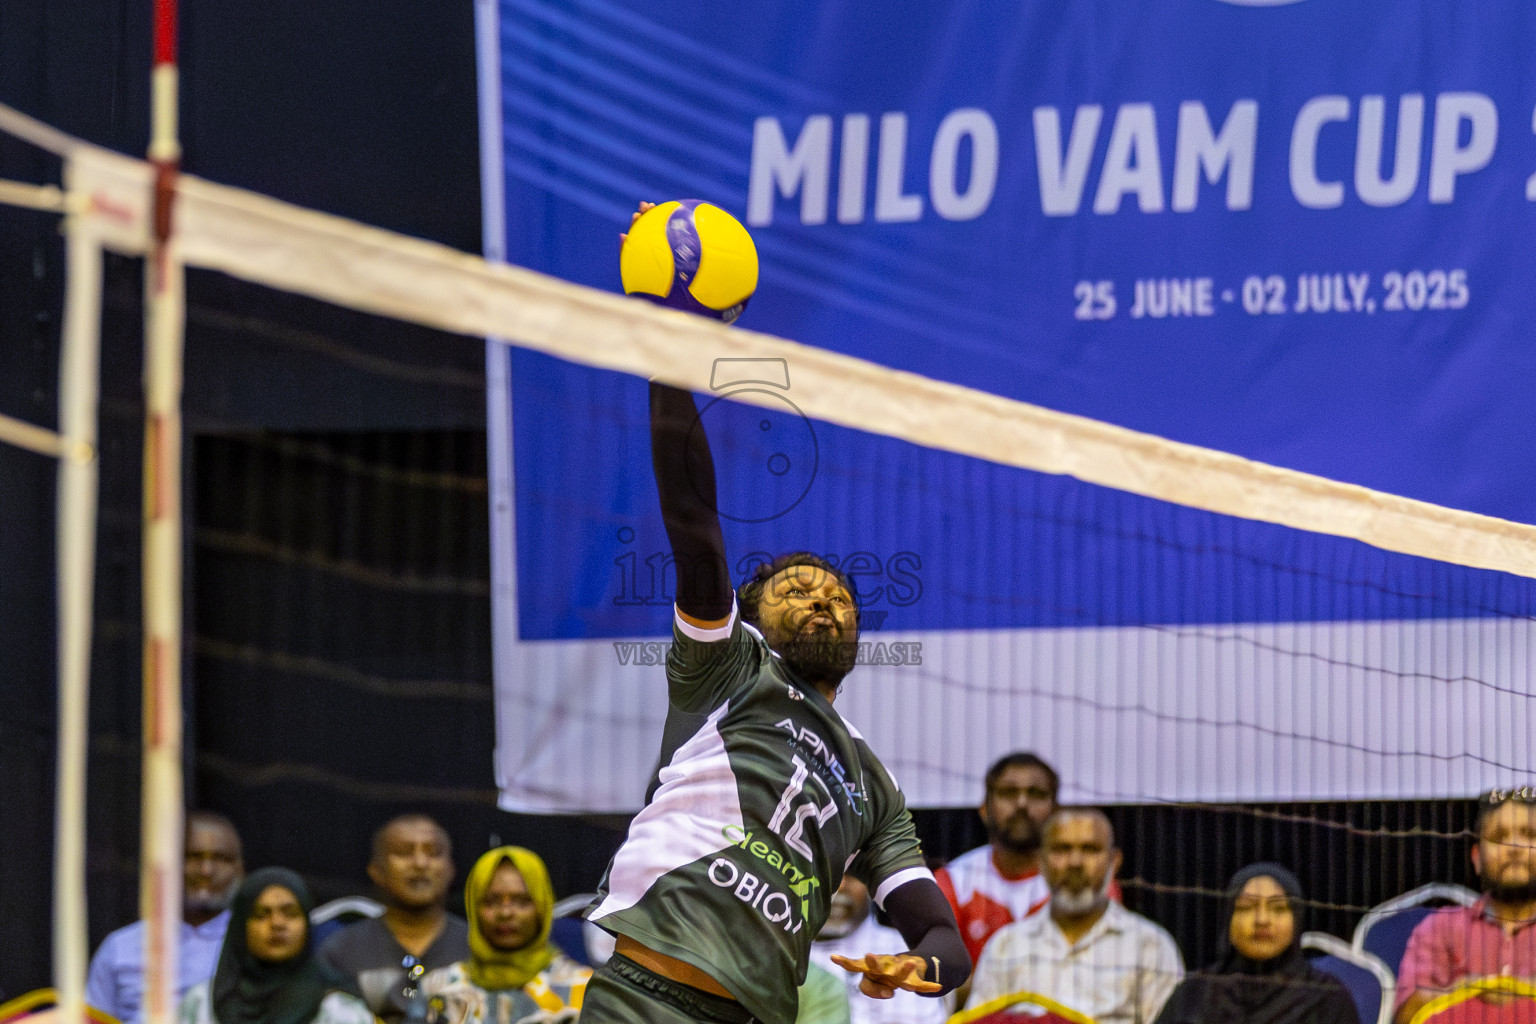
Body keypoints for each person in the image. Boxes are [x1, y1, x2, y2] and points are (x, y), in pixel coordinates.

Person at [579, 282, 970, 1024]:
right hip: (645, 997)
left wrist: (924, 963)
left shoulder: (872, 785)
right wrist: (670, 357)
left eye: (839, 596)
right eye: (796, 590)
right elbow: (693, 522)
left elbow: (942, 933)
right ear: (752, 616)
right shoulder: (729, 666)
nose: (822, 600)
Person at [968, 807, 1182, 1024]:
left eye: (1090, 849)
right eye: (1062, 849)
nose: (1075, 863)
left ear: (1114, 861)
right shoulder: (1006, 945)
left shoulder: (1150, 945)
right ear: (1041, 861)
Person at [89, 811, 246, 1024]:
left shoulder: (256, 944)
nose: (206, 871)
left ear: (240, 870)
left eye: (220, 859)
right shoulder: (119, 947)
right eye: (193, 856)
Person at [1395, 789, 1536, 1024]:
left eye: (1529, 834)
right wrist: (1473, 990)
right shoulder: (1439, 929)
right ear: (1476, 857)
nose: (1514, 847)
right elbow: (1407, 1017)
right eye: (1498, 836)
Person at [1154, 863, 1358, 1024]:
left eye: (1277, 908)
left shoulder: (1326, 998)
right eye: (1246, 908)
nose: (1261, 920)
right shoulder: (1194, 993)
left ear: (1297, 921)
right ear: (1228, 920)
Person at [319, 814, 470, 1022]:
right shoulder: (340, 952)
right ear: (376, 870)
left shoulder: (477, 948)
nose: (420, 863)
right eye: (404, 853)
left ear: (451, 869)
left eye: (433, 853)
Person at [421, 846, 592, 1024]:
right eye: (491, 901)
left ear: (542, 906)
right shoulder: (438, 988)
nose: (505, 912)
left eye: (522, 901)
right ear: (473, 906)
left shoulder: (584, 990)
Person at [178, 868, 371, 1024]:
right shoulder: (202, 1002)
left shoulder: (337, 1008)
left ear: (306, 924)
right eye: (261, 915)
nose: (277, 924)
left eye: (291, 913)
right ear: (240, 927)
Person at [935, 752, 1060, 966]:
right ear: (984, 810)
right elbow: (940, 978)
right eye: (1008, 793)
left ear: (1056, 811)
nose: (1022, 803)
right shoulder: (954, 880)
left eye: (1036, 793)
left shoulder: (1082, 878)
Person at [809, 877, 945, 1024]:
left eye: (851, 874)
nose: (840, 885)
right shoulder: (784, 948)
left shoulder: (902, 950)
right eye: (829, 871)